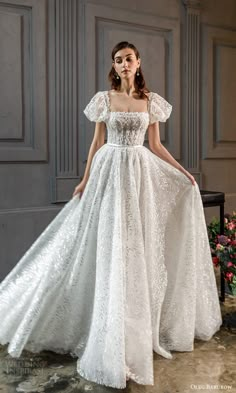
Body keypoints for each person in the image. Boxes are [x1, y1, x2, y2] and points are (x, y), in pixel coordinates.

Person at [0, 41, 222, 389]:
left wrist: (184, 172)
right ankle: (107, 330)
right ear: (114, 66)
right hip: (110, 172)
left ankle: (134, 331)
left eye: (128, 59)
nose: (123, 65)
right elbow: (97, 142)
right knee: (109, 244)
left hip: (139, 174)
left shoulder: (151, 101)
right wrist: (85, 179)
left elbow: (156, 145)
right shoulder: (105, 99)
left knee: (136, 246)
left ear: (138, 62)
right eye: (117, 61)